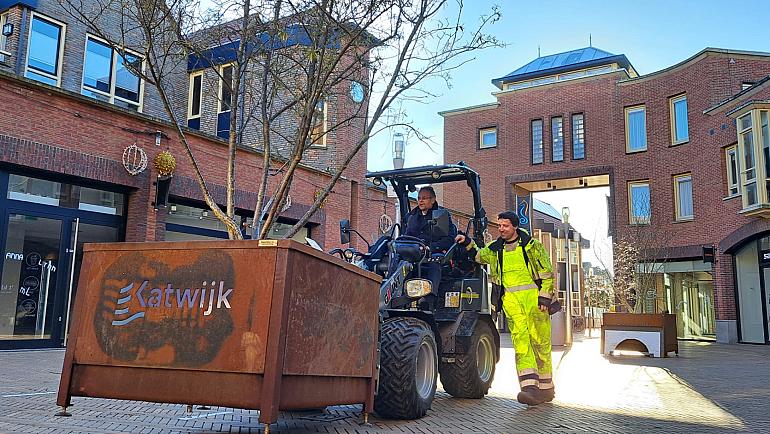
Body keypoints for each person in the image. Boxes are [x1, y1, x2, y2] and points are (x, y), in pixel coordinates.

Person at [455, 211, 556, 406]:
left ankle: (546, 389)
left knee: (540, 344)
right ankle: (530, 389)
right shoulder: (496, 249)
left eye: (505, 226)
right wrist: (467, 242)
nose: (501, 229)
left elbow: (547, 273)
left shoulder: (532, 246)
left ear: (515, 227)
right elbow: (478, 256)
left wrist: (544, 297)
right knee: (521, 343)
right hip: (511, 302)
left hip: (534, 302)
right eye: (499, 225)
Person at [403, 186, 457, 292]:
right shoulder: (412, 217)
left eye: (424, 198)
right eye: (419, 198)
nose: (420, 201)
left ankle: (430, 297)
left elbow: (450, 239)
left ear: (433, 199)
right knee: (398, 258)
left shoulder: (442, 216)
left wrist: (430, 247)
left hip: (434, 252)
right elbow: (406, 236)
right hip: (415, 252)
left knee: (434, 260)